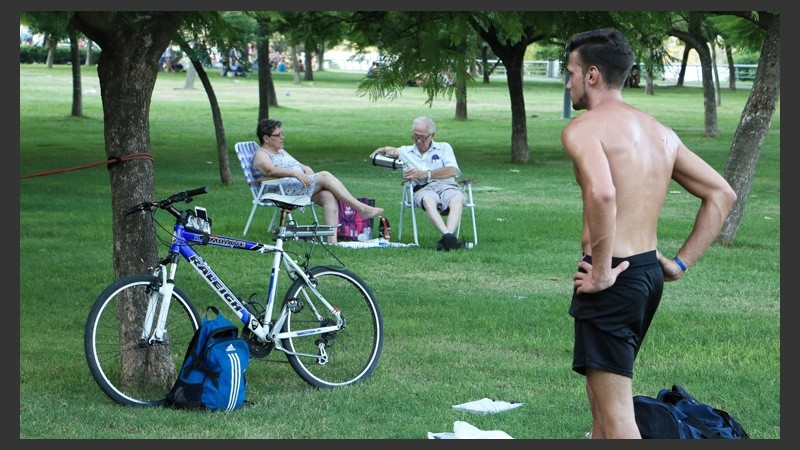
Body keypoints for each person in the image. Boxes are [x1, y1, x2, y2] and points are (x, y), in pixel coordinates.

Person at [561, 28, 737, 439]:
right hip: (645, 273)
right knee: (604, 412)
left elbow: (604, 194)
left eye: (569, 72)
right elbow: (721, 194)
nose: (566, 82)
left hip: (613, 279)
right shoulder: (660, 133)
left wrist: (602, 270)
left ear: (591, 75)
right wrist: (678, 265)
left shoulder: (584, 129)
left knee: (618, 419)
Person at [251, 118, 383, 244]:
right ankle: (360, 208)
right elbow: (270, 171)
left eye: (282, 133)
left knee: (328, 196)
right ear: (266, 138)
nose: (282, 137)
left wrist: (307, 171)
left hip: (296, 186)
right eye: (278, 134)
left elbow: (301, 166)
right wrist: (295, 173)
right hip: (279, 191)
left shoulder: (281, 152)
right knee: (324, 175)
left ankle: (332, 242)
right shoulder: (261, 154)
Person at [370, 116, 467, 251]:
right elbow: (374, 157)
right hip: (423, 189)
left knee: (457, 198)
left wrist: (425, 174)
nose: (419, 141)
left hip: (447, 185)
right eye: (415, 136)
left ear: (432, 135)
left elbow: (453, 170)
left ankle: (448, 238)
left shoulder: (444, 147)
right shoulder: (405, 151)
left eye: (423, 137)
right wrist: (385, 149)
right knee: (428, 200)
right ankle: (449, 238)